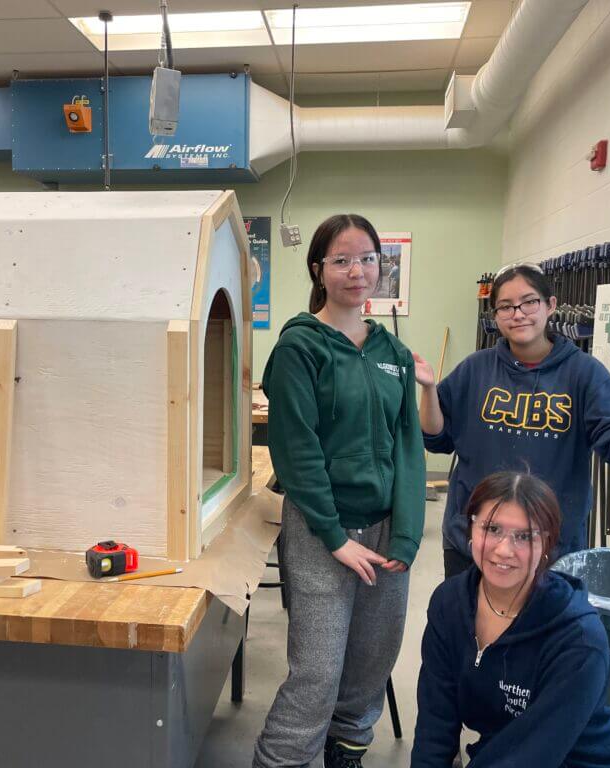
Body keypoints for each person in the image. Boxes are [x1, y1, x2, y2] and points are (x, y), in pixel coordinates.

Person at [252, 214, 426, 768]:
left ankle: (347, 748)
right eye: (343, 260)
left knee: (372, 661)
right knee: (318, 671)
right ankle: (282, 760)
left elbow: (408, 448)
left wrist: (405, 536)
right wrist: (333, 536)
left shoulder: (393, 354)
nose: (358, 271)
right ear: (318, 270)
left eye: (369, 259)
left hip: (382, 530)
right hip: (320, 527)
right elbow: (295, 450)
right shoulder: (301, 348)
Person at [414, 263, 610, 578]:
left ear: (550, 305)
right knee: (470, 625)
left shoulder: (582, 372)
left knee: (541, 627)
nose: (518, 313)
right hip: (474, 543)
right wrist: (428, 389)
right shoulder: (476, 369)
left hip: (551, 546)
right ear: (495, 316)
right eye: (506, 307)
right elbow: (437, 435)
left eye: (529, 302)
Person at [411, 472, 610, 768]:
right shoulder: (449, 604)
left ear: (546, 544)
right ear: (471, 529)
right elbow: (435, 723)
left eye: (524, 536)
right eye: (492, 528)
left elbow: (532, 756)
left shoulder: (578, 639)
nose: (504, 549)